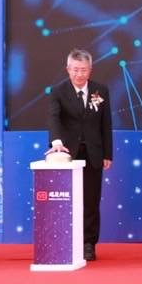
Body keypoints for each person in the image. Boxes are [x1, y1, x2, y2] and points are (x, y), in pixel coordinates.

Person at [47, 49, 113, 262]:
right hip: (67, 154)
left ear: (90, 70)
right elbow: (53, 118)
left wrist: (107, 154)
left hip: (93, 153)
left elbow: (106, 124)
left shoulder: (101, 91)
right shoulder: (58, 91)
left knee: (91, 201)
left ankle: (88, 243)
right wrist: (56, 142)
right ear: (68, 69)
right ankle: (66, 240)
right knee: (66, 200)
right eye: (75, 70)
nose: (79, 74)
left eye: (83, 70)